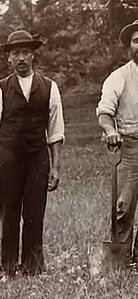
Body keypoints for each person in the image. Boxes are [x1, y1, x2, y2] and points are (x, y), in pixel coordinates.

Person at [0, 29, 65, 280]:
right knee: (9, 213)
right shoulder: (0, 89)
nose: (21, 58)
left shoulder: (50, 88)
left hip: (38, 157)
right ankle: (8, 268)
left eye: (25, 52)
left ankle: (33, 268)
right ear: (9, 58)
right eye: (16, 53)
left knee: (35, 212)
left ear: (33, 56)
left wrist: (56, 167)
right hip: (8, 157)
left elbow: (56, 131)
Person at [97, 19, 138, 264]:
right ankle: (120, 259)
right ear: (129, 46)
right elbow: (104, 112)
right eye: (136, 41)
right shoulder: (119, 77)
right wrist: (110, 130)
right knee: (123, 205)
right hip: (129, 146)